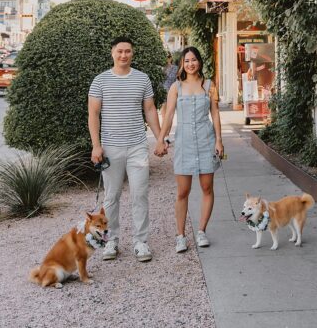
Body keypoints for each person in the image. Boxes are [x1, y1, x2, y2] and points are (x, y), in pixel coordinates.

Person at [88, 36, 164, 263]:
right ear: (112, 52)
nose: (124, 55)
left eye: (128, 51)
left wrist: (160, 139)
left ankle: (141, 242)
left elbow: (150, 110)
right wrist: (96, 145)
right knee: (111, 197)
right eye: (120, 51)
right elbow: (93, 114)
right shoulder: (100, 80)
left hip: (137, 146)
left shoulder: (142, 79)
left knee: (140, 194)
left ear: (132, 53)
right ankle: (111, 240)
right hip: (111, 148)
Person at [155, 46, 224, 253]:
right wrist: (161, 139)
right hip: (184, 143)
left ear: (199, 62)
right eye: (187, 61)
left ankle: (201, 231)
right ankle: (180, 236)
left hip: (206, 140)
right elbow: (168, 116)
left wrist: (219, 140)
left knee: (207, 188)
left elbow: (215, 114)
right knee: (183, 191)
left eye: (194, 60)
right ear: (182, 64)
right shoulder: (176, 87)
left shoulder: (209, 85)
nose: (190, 64)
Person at [159, 53, 179, 124]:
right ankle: (164, 128)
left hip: (173, 93)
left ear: (170, 58)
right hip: (162, 93)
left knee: (170, 114)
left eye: (167, 57)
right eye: (164, 57)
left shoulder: (176, 68)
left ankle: (167, 127)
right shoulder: (160, 69)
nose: (166, 59)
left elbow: (178, 81)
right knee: (164, 115)